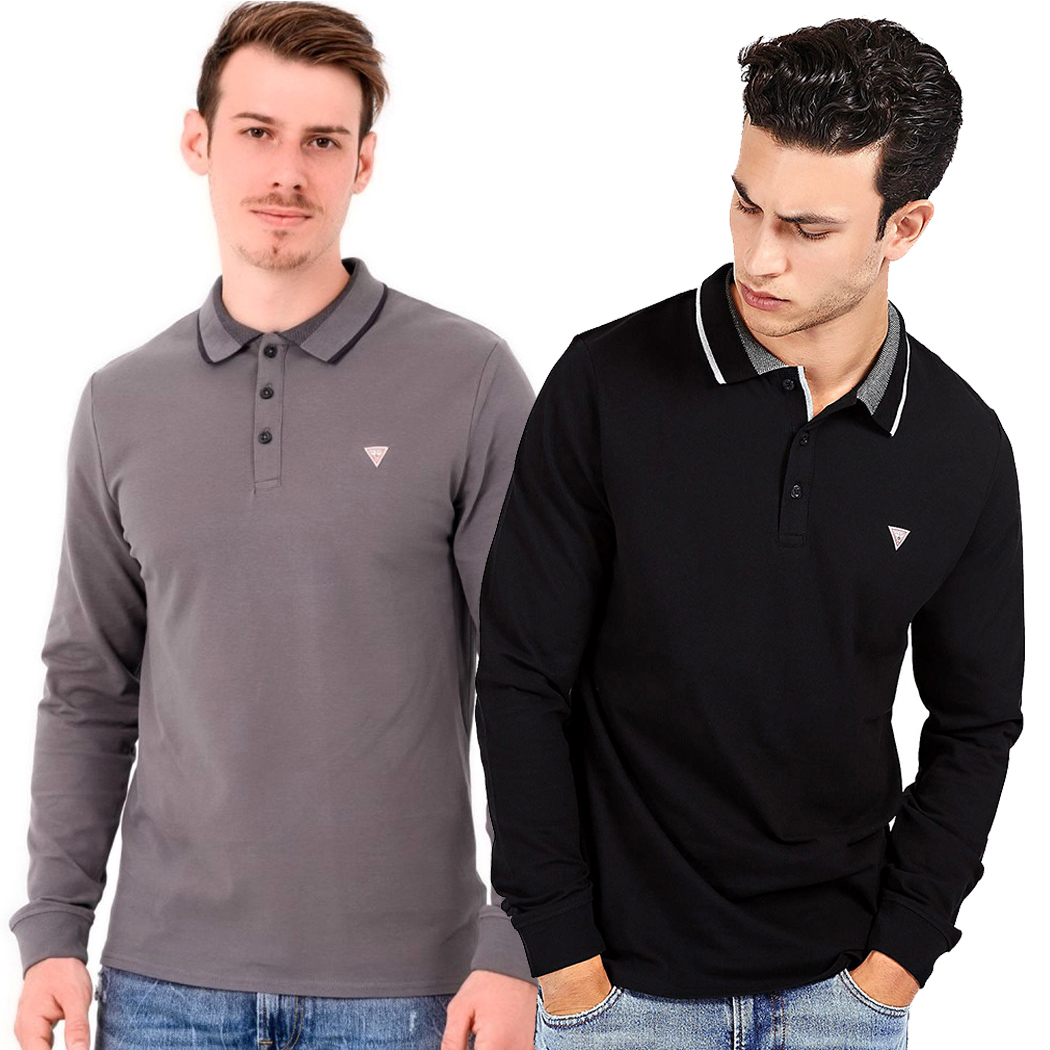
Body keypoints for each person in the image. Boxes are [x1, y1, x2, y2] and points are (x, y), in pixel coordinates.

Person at [475, 16, 1024, 1049]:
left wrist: (900, 960)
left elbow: (975, 722)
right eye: (745, 204)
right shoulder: (606, 386)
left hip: (843, 1002)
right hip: (617, 1001)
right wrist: (561, 956)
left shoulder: (960, 446)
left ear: (904, 228)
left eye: (808, 229)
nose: (759, 257)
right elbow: (518, 677)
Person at [9, 3, 538, 1048]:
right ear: (198, 141)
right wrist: (54, 929)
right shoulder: (120, 403)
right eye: (257, 132)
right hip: (161, 993)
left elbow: (540, 681)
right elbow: (88, 686)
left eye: (322, 142)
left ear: (364, 163)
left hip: (412, 994)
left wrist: (517, 937)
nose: (287, 172)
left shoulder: (470, 381)